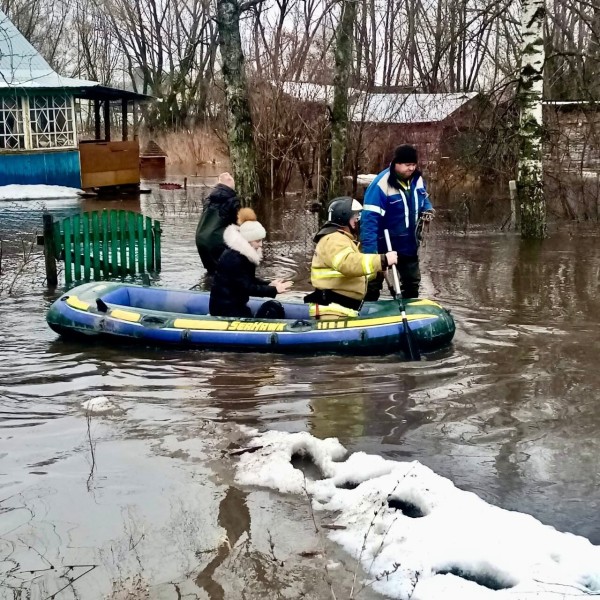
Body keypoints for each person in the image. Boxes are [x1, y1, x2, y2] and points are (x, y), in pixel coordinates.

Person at [360, 144, 435, 300]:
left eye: (414, 165)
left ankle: (409, 311)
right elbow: (369, 220)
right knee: (372, 284)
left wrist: (427, 209)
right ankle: (368, 313)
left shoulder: (417, 180)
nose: (411, 168)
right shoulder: (380, 185)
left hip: (408, 243)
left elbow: (423, 198)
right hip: (383, 243)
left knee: (412, 283)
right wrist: (370, 254)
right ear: (396, 163)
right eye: (407, 165)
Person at [304, 197, 398, 319]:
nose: (358, 220)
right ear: (343, 218)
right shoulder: (334, 239)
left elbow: (349, 273)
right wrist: (382, 260)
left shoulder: (341, 239)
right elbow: (348, 264)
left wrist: (376, 273)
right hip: (333, 310)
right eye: (355, 216)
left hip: (341, 308)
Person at [209, 208, 293, 318]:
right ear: (247, 240)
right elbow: (247, 287)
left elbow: (248, 280)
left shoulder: (242, 254)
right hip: (225, 309)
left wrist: (268, 284)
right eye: (258, 241)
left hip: (235, 304)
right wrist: (273, 290)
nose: (261, 245)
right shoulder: (235, 259)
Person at [195, 172, 241, 275]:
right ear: (230, 183)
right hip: (216, 241)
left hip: (201, 239)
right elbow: (239, 224)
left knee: (211, 273)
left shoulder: (208, 199)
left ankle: (206, 288)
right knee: (226, 274)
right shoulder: (232, 200)